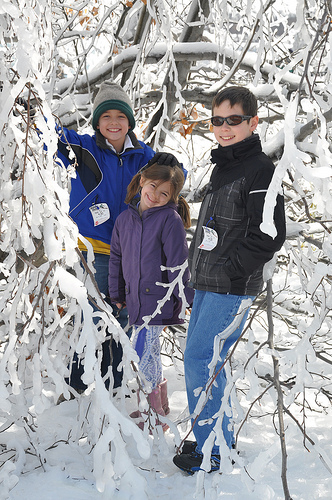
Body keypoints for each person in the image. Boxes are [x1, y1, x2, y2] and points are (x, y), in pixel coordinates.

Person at [173, 86, 286, 474]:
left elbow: (270, 234)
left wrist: (232, 268)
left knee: (200, 359)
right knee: (209, 360)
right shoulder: (224, 165)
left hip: (231, 285)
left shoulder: (260, 170)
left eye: (233, 120)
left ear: (253, 122)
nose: (223, 128)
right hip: (208, 281)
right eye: (217, 120)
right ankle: (217, 439)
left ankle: (214, 450)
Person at [56, 80, 179, 393]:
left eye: (121, 117)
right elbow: (47, 136)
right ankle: (78, 391)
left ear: (130, 122)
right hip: (93, 251)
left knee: (123, 319)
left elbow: (175, 180)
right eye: (107, 116)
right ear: (97, 122)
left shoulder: (142, 157)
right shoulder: (82, 148)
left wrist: (171, 164)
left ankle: (112, 388)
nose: (114, 122)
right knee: (92, 319)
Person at [108, 162, 194, 429]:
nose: (155, 195)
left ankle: (153, 414)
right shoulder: (125, 219)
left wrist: (182, 300)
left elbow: (179, 263)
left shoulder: (170, 219)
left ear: (173, 198)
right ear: (142, 181)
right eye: (153, 187)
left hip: (159, 300)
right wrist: (116, 292)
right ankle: (159, 407)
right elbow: (116, 259)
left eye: (164, 193)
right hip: (135, 299)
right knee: (150, 352)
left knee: (143, 351)